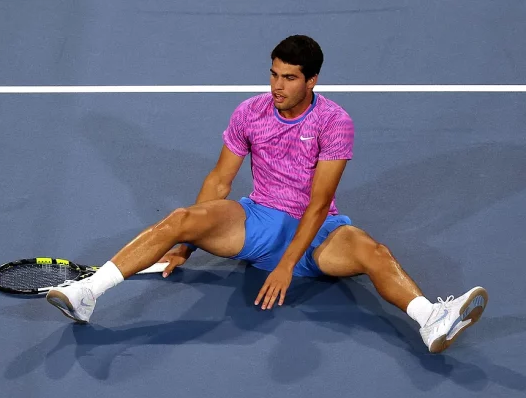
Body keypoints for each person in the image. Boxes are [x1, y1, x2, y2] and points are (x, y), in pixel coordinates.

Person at [46, 35, 488, 354]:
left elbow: (318, 204)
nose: (277, 86)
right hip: (257, 220)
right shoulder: (250, 112)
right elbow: (220, 182)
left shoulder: (335, 123)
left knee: (375, 251)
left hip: (319, 232)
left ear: (312, 80)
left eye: (289, 78)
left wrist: (286, 266)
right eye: (274, 74)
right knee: (181, 218)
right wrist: (185, 244)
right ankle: (88, 292)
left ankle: (430, 320)